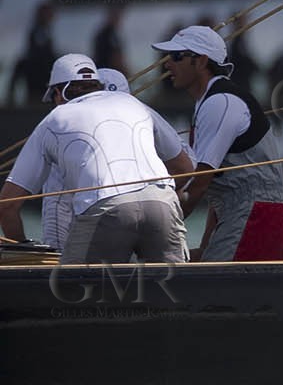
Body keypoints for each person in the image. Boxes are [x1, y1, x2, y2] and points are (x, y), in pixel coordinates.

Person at [0, 54, 191, 263]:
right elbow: (184, 167)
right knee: (174, 290)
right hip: (162, 202)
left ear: (58, 93)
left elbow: (7, 204)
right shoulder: (132, 103)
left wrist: (23, 251)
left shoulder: (54, 119)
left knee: (69, 290)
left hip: (106, 206)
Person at [154, 25, 283, 261]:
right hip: (252, 220)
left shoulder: (220, 103)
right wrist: (207, 244)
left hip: (257, 220)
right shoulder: (208, 102)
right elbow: (219, 188)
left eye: (177, 56)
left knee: (214, 295)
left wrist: (157, 231)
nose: (167, 64)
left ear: (201, 61)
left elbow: (199, 184)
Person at [8, 2, 56, 107]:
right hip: (38, 83)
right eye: (47, 14)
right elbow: (40, 54)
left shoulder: (45, 32)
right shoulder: (38, 32)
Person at [92, 5, 129, 76]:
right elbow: (116, 59)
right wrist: (125, 72)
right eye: (116, 15)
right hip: (110, 74)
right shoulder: (109, 35)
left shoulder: (102, 34)